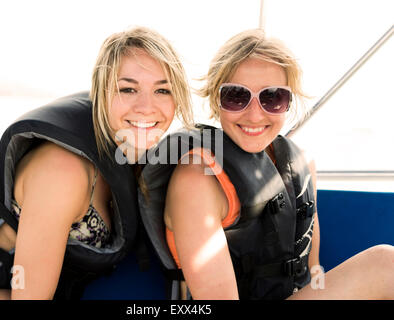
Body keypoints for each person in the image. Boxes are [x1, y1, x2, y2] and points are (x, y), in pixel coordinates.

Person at [139, 29, 394, 300]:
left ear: (288, 103)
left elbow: (310, 272)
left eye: (272, 97)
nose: (254, 113)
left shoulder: (302, 164)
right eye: (236, 95)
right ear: (216, 98)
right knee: (385, 265)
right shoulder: (196, 181)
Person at [0, 26, 193, 300]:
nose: (146, 106)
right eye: (128, 89)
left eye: (162, 91)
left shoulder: (133, 157)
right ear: (100, 93)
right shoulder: (63, 172)